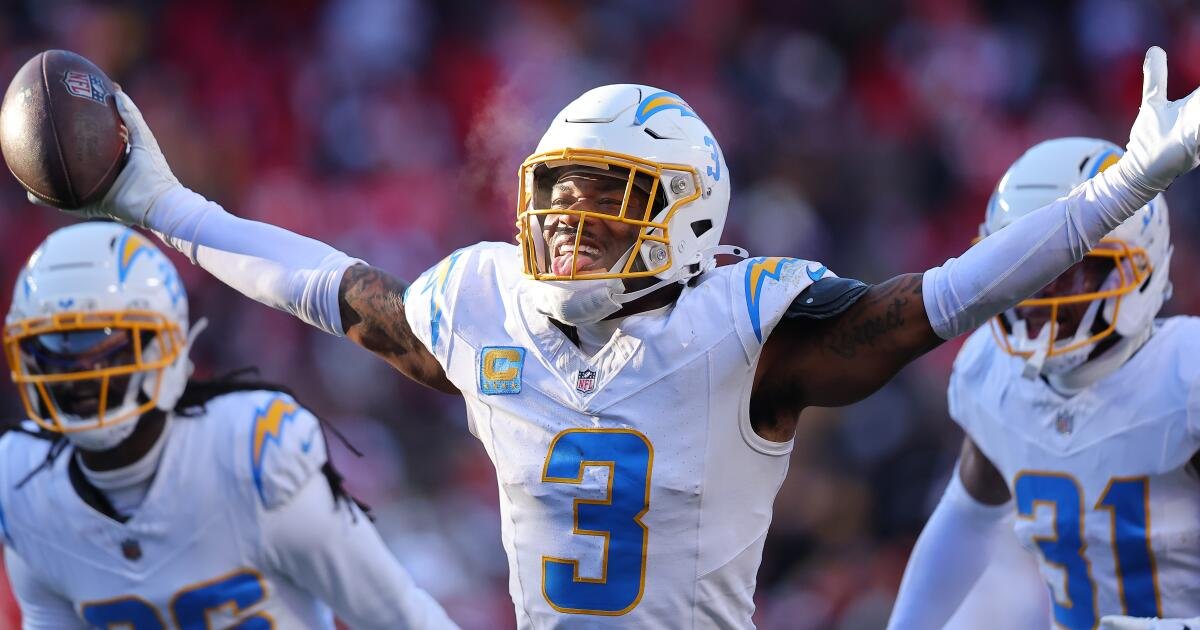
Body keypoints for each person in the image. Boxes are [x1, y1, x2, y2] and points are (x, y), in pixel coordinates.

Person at [31, 46, 1200, 626]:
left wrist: (1117, 191)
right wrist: (162, 205)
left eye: (606, 200)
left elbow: (937, 300)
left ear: (686, 217)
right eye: (557, 194)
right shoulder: (484, 303)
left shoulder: (749, 332)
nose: (567, 224)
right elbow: (323, 286)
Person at [0, 222, 457, 629]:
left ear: (164, 344)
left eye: (102, 344)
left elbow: (396, 616)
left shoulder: (249, 454)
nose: (78, 370)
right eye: (54, 346)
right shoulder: (23, 483)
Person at [886, 137, 1200, 630]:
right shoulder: (993, 375)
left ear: (1137, 264)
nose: (1036, 292)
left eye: (1064, 269)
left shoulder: (1186, 377)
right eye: (1020, 266)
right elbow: (968, 518)